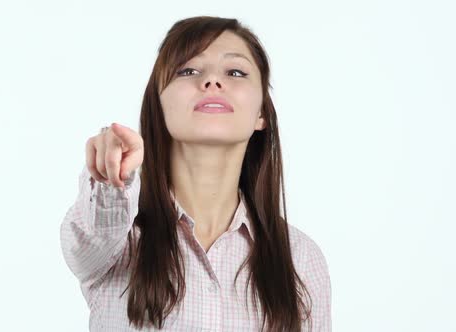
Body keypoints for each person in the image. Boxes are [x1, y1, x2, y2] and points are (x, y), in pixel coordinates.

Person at [60, 16, 332, 331]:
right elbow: (97, 231)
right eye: (188, 70)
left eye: (235, 72)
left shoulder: (300, 258)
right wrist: (111, 179)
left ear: (261, 113)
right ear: (158, 105)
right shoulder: (121, 240)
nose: (212, 82)